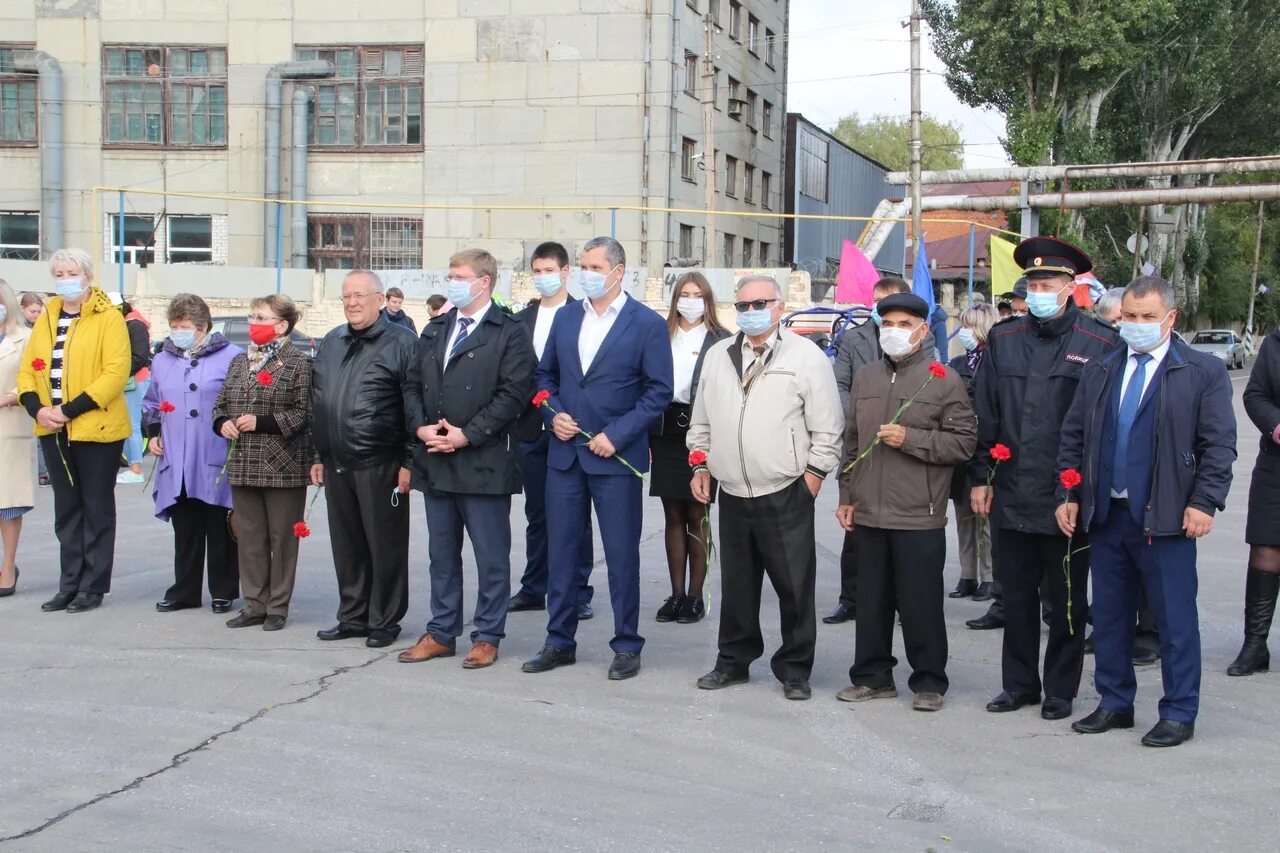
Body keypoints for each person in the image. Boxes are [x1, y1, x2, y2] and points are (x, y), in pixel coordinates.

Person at [1057, 276, 1235, 748]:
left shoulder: (1200, 372)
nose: (1136, 326)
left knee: (1174, 620)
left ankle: (1179, 711)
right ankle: (1114, 702)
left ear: (1170, 318)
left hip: (1168, 518)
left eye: (1147, 318)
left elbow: (1218, 445)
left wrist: (1203, 501)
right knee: (1111, 616)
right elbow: (1073, 437)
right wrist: (1069, 493)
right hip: (1108, 516)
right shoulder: (1102, 367)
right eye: (1129, 318)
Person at [972, 236, 1120, 721]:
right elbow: (986, 412)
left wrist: (1074, 490)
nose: (1039, 289)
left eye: (1048, 281)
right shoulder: (1004, 337)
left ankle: (1059, 689)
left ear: (1070, 286)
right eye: (1033, 282)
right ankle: (1018, 685)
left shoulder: (1101, 342)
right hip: (1011, 490)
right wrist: (981, 475)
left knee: (1066, 602)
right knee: (1014, 599)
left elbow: (1100, 429)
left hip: (1066, 497)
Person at [521, 236, 673, 681]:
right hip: (565, 456)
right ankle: (559, 640)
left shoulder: (645, 323)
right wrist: (553, 416)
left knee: (621, 555)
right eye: (582, 265)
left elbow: (658, 390)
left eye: (592, 266)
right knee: (562, 553)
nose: (584, 273)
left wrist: (618, 434)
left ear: (618, 271)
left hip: (614, 458)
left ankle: (626, 644)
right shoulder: (567, 317)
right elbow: (543, 376)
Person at [687, 274, 841, 700]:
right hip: (733, 490)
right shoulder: (719, 355)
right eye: (742, 305)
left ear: (779, 307)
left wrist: (812, 477)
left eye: (759, 303)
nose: (750, 312)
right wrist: (700, 464)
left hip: (786, 488)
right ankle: (733, 661)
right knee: (737, 584)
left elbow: (828, 427)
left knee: (793, 586)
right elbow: (701, 420)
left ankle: (795, 668)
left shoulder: (806, 357)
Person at [835, 293, 977, 711]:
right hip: (869, 511)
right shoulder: (866, 377)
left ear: (921, 329)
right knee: (872, 600)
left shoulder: (942, 379)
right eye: (887, 323)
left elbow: (964, 442)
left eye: (903, 323)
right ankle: (872, 676)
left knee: (920, 603)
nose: (894, 331)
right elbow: (853, 441)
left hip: (919, 512)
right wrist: (847, 494)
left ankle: (930, 681)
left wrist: (911, 439)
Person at [397, 249, 535, 668]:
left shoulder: (507, 330)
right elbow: (411, 383)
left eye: (459, 276)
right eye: (450, 275)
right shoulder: (436, 328)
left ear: (484, 282)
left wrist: (466, 436)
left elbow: (514, 393)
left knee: (490, 556)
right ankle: (441, 631)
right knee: (442, 554)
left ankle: (487, 635)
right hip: (436, 458)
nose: (451, 282)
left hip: (483, 461)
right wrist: (420, 427)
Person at [17, 248, 131, 613]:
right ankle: (69, 583)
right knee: (66, 510)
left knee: (96, 507)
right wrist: (39, 409)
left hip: (95, 428)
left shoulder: (108, 318)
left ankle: (92, 586)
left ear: (87, 277)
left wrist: (68, 410)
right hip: (52, 427)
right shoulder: (47, 316)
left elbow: (114, 373)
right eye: (59, 272)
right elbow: (27, 371)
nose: (64, 278)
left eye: (71, 272)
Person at [311, 271, 416, 649]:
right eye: (346, 296)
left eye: (359, 295)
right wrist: (318, 453)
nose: (352, 303)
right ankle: (353, 616)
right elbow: (317, 400)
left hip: (381, 461)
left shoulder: (402, 342)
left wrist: (409, 460)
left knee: (384, 544)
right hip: (337, 460)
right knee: (348, 544)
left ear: (379, 298)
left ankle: (385, 619)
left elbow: (413, 406)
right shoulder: (332, 341)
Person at [212, 294, 312, 631]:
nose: (254, 323)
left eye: (262, 318)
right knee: (249, 537)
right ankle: (254, 603)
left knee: (282, 538)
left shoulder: (298, 362)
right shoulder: (240, 362)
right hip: (243, 463)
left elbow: (303, 413)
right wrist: (222, 422)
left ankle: (277, 606)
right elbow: (221, 402)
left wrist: (262, 421)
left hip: (281, 464)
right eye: (252, 316)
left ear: (282, 325)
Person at [509, 241, 596, 619]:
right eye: (537, 271)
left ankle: (579, 591)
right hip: (531, 427)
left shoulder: (582, 313)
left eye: (549, 270)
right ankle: (534, 585)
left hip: (569, 427)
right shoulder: (521, 320)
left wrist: (561, 413)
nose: (542, 278)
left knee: (574, 512)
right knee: (537, 513)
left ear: (565, 272)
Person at [144, 294, 242, 614]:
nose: (177, 332)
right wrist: (153, 434)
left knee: (219, 525)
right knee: (185, 527)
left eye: (183, 326)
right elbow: (152, 403)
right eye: (173, 326)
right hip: (178, 455)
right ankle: (184, 590)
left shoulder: (231, 356)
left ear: (202, 327)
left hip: (213, 452)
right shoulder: (162, 359)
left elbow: (240, 401)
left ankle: (223, 590)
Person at [825, 276, 912, 625]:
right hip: (860, 440)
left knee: (901, 531)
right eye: (876, 300)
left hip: (902, 444)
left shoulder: (922, 338)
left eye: (888, 300)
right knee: (855, 527)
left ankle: (902, 601)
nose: (879, 307)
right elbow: (840, 385)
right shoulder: (852, 338)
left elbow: (924, 387)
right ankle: (851, 598)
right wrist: (863, 418)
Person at [652, 272, 729, 623]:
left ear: (708, 300)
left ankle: (695, 596)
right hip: (666, 430)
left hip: (703, 430)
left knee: (698, 515)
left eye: (698, 294)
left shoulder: (721, 339)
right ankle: (676, 594)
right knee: (673, 515)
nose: (691, 301)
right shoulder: (660, 334)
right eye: (685, 294)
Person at [1229, 323, 1280, 677]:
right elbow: (1255, 395)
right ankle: (1255, 643)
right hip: (1276, 464)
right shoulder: (1275, 343)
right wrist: (1276, 425)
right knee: (1265, 546)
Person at [948, 303, 998, 600]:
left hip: (987, 449)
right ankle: (967, 575)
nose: (963, 331)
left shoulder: (996, 364)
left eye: (969, 325)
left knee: (986, 520)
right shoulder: (956, 364)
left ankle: (989, 577)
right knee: (963, 516)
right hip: (960, 451)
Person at [0, 280, 36, 597]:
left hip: (9, 426)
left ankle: (8, 566)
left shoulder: (25, 339)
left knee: (7, 506)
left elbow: (32, 379)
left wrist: (10, 397)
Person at [117, 296, 153, 484]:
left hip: (134, 381)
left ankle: (136, 468)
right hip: (130, 380)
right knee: (128, 425)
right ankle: (133, 466)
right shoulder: (129, 322)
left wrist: (118, 374)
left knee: (132, 426)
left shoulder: (134, 325)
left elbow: (139, 356)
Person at [18, 292, 48, 485]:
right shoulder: (20, 331)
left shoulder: (39, 329)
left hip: (32, 388)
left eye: (38, 311)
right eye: (32, 311)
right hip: (23, 386)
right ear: (22, 309)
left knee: (37, 435)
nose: (35, 315)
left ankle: (43, 472)